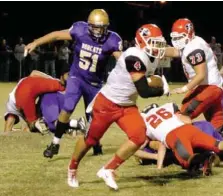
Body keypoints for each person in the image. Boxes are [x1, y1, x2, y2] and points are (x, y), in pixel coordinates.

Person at [67, 23, 169, 190]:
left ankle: (108, 169)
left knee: (139, 136)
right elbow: (143, 91)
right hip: (108, 103)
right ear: (141, 41)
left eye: (158, 43)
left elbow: (171, 52)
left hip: (127, 105)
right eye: (153, 42)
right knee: (91, 140)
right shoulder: (134, 57)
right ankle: (72, 167)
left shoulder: (151, 54)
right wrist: (162, 89)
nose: (157, 47)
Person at [25, 9, 123, 157]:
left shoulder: (112, 40)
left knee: (93, 117)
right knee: (68, 107)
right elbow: (57, 34)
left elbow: (121, 59)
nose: (97, 31)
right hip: (77, 77)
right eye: (95, 27)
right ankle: (55, 143)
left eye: (101, 28)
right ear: (89, 25)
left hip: (95, 83)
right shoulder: (80, 30)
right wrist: (36, 42)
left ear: (106, 27)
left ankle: (95, 143)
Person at [165, 18, 223, 134]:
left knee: (182, 116)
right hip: (214, 87)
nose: (177, 40)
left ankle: (186, 142)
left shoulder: (194, 48)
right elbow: (176, 52)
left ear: (189, 33)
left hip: (207, 88)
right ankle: (217, 146)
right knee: (217, 123)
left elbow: (201, 75)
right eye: (175, 37)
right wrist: (156, 51)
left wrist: (184, 88)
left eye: (180, 37)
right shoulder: (194, 41)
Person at [140, 102, 223, 175]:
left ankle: (205, 158)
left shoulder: (145, 122)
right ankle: (210, 155)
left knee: (188, 159)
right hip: (188, 128)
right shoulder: (167, 107)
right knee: (217, 144)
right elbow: (188, 121)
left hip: (174, 136)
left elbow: (140, 143)